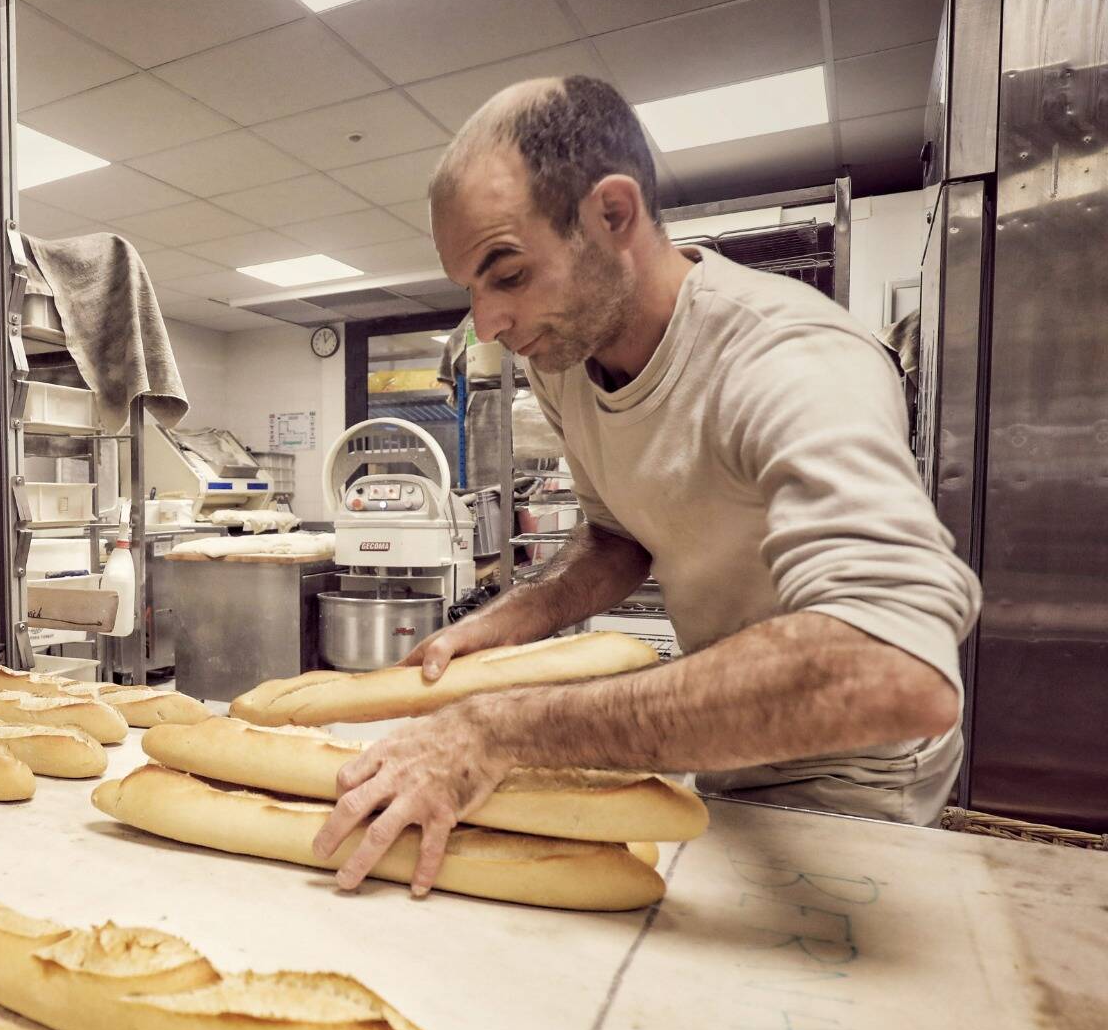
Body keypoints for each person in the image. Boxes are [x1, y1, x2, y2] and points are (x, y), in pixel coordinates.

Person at [312, 76, 980, 897]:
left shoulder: (789, 358)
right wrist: (511, 619)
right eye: (471, 289)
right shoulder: (564, 362)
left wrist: (502, 727)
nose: (487, 323)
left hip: (850, 776)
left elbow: (894, 669)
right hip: (719, 744)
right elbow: (619, 534)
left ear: (614, 215)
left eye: (508, 274)